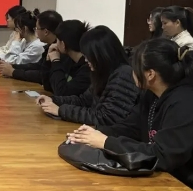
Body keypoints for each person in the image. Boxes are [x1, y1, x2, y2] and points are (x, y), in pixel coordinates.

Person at [66, 38, 193, 188]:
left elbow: (164, 155)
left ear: (150, 74)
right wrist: (95, 132)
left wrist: (106, 142)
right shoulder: (151, 95)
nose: (132, 72)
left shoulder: (184, 102)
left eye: (135, 67)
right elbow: (131, 127)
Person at [37, 25, 139, 126]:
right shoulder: (103, 72)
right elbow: (83, 100)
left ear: (100, 54)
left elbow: (105, 117)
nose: (86, 60)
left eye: (88, 56)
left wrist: (60, 110)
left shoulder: (123, 74)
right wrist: (53, 100)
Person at [0, 10, 62, 83]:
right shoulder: (49, 45)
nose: (36, 31)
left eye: (37, 28)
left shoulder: (47, 47)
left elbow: (41, 75)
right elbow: (38, 66)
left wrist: (13, 72)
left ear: (46, 32)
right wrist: (11, 66)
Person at [40, 20, 91, 96]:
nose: (55, 43)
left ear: (63, 44)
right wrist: (48, 61)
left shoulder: (87, 68)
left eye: (57, 40)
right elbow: (48, 86)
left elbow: (61, 92)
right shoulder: (68, 59)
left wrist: (55, 61)